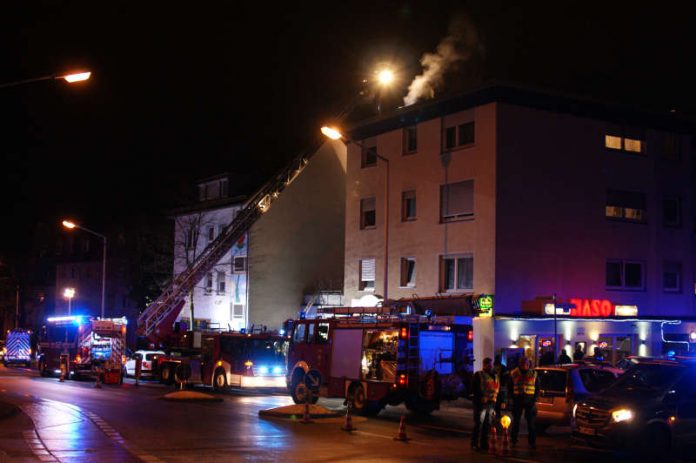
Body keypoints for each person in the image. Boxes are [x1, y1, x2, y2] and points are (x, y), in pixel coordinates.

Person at [509, 357, 540, 450]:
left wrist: (534, 399)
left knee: (531, 423)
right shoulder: (514, 373)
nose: (524, 364)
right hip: (518, 399)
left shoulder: (534, 373)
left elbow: (537, 387)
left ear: (529, 363)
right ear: (519, 363)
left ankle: (532, 442)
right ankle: (513, 440)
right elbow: (509, 387)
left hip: (529, 400)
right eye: (522, 362)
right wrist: (511, 399)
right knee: (516, 422)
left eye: (526, 362)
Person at [471, 357, 500, 451]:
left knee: (487, 425)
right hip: (481, 404)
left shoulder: (495, 376)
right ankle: (474, 444)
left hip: (491, 403)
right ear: (484, 365)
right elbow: (474, 389)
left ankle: (484, 444)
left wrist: (500, 401)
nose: (490, 365)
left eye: (491, 364)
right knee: (479, 424)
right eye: (488, 364)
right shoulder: (478, 375)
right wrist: (480, 398)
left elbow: (497, 389)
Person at [493, 355, 509, 432]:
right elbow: (506, 378)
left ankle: (495, 424)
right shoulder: (503, 367)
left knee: (496, 408)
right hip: (500, 388)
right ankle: (498, 424)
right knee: (498, 408)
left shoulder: (493, 368)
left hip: (495, 388)